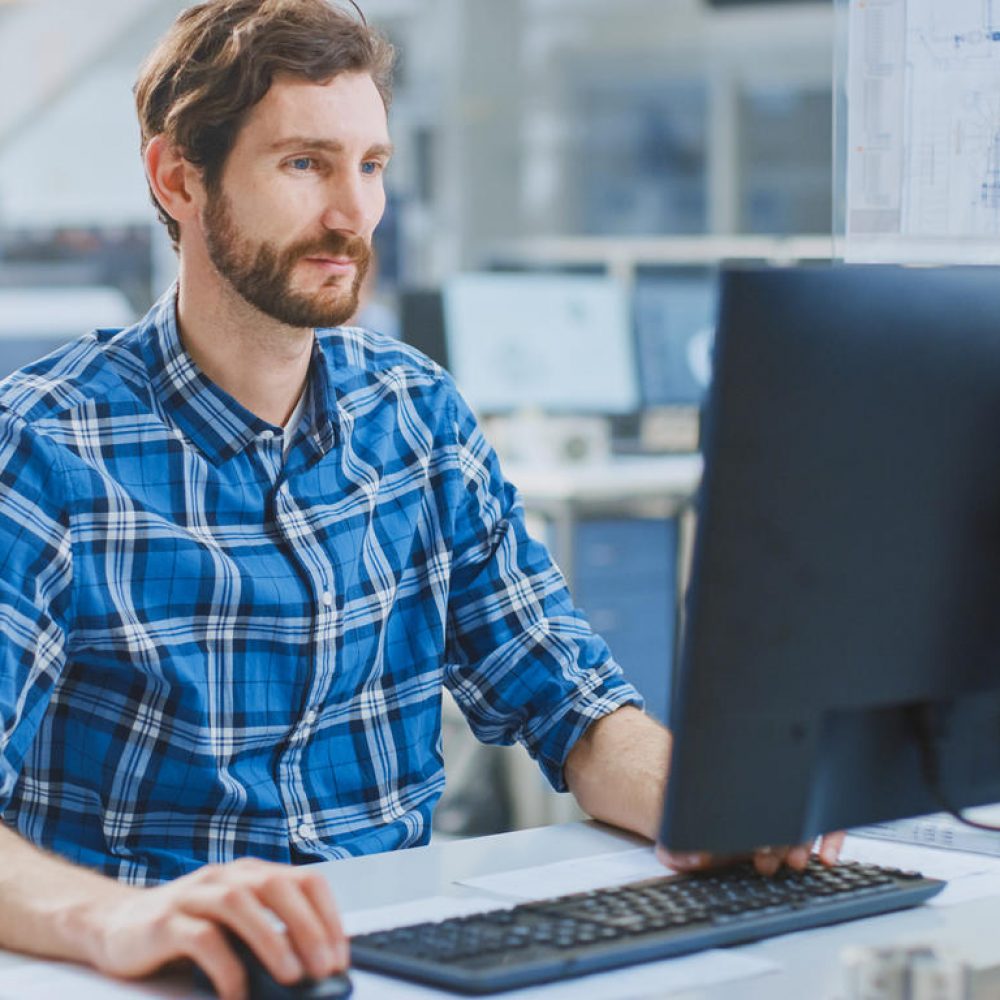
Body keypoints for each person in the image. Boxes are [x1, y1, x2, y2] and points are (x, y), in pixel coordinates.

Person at [0, 2, 844, 997]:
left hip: (398, 964)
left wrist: (712, 802)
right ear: (179, 178)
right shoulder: (44, 450)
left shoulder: (416, 415)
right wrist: (116, 919)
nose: (352, 214)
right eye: (305, 163)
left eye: (371, 165)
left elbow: (572, 705)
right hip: (166, 973)